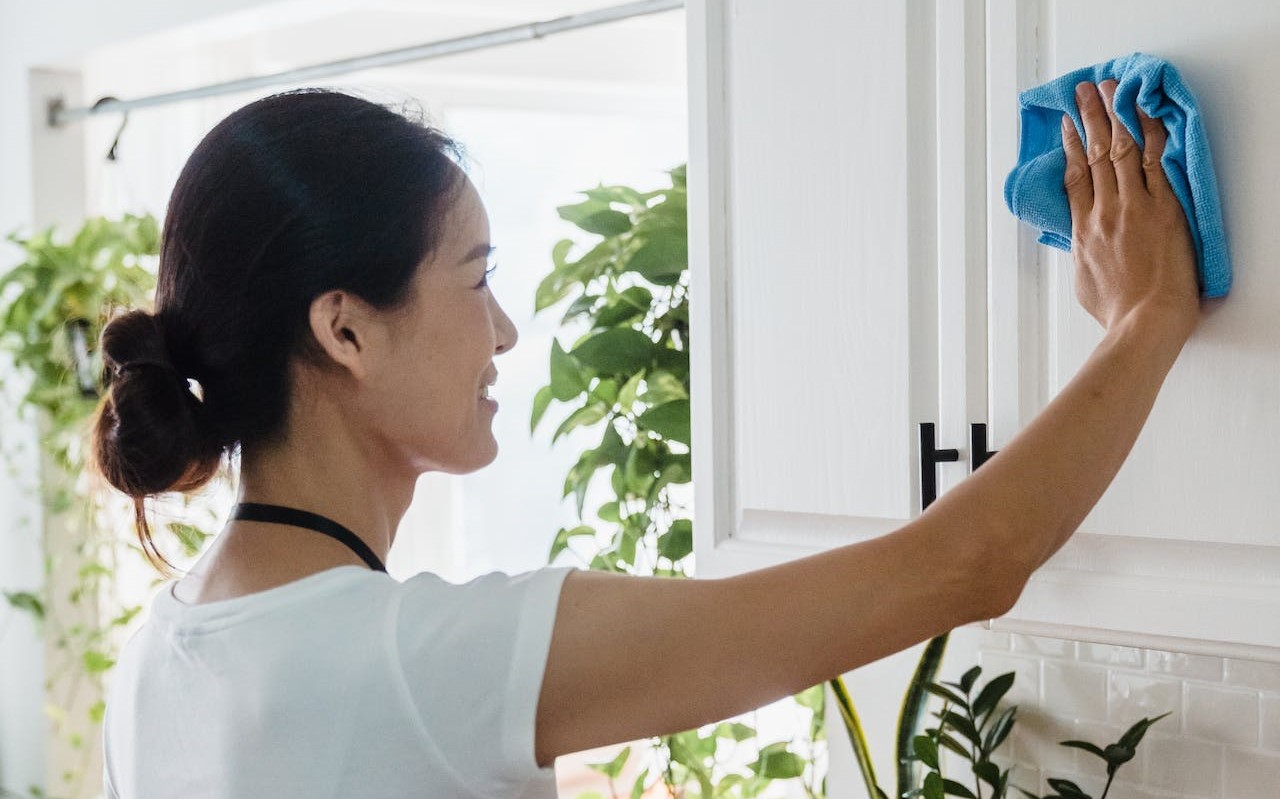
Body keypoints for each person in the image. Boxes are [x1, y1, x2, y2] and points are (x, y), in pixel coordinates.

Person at [93, 78, 1201, 798]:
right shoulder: (415, 661)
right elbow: (964, 562)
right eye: (475, 279)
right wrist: (1147, 315)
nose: (505, 330)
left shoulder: (156, 658)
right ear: (344, 328)